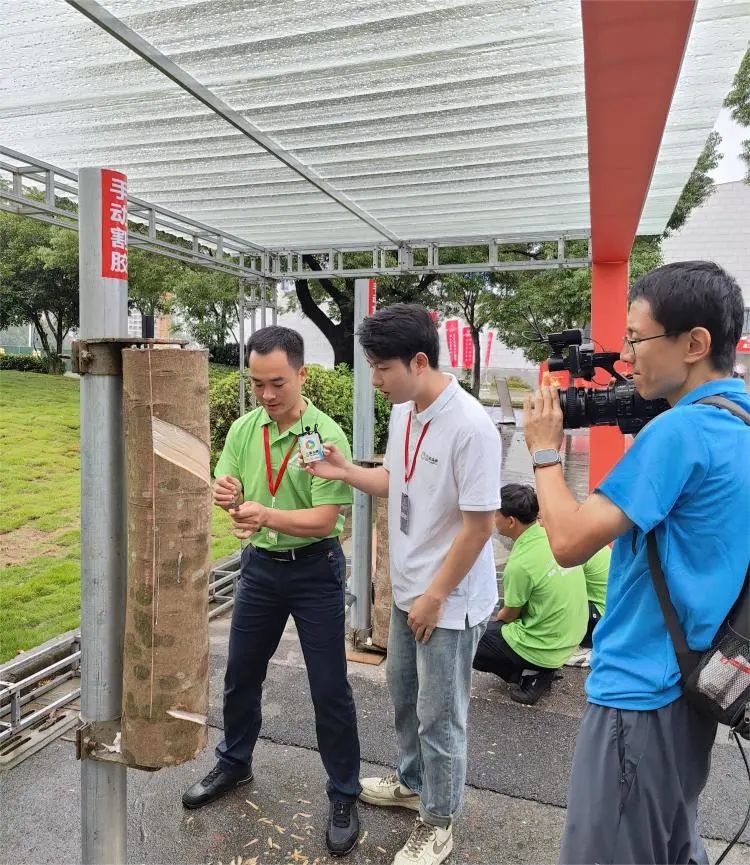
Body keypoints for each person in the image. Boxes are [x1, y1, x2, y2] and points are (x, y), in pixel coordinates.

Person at [523, 261, 750, 865]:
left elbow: (569, 542)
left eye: (636, 339)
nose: (626, 357)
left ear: (694, 343)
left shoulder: (678, 434)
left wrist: (544, 450)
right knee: (672, 843)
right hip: (695, 682)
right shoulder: (739, 422)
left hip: (640, 692)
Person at [304, 304, 501, 865]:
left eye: (381, 367)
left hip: (449, 601)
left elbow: (480, 525)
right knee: (403, 696)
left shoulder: (471, 426)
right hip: (411, 591)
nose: (375, 380)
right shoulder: (405, 412)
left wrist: (436, 596)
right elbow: (396, 480)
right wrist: (344, 471)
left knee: (441, 715)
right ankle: (414, 784)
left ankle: (438, 821)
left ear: (418, 361)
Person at [181, 326, 362, 857]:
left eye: (277, 383)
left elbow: (326, 519)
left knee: (329, 687)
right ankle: (233, 763)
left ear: (302, 374)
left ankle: (344, 794)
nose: (266, 394)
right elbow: (229, 484)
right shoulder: (245, 428)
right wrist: (228, 493)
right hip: (260, 568)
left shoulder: (322, 435)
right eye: (257, 383)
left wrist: (265, 514)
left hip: (315, 571)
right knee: (241, 674)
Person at [473, 484, 589, 705]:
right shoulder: (551, 536)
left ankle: (533, 674)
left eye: (496, 514)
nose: (493, 518)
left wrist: (492, 623)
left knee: (472, 641)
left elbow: (510, 615)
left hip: (548, 647)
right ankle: (540, 667)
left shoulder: (520, 563)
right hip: (572, 638)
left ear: (511, 521)